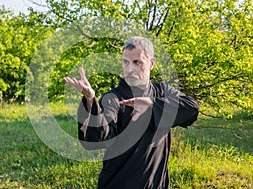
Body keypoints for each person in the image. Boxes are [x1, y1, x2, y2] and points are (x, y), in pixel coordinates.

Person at [63, 36, 199, 189]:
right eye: (125, 62)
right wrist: (90, 100)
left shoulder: (162, 92)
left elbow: (192, 108)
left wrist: (152, 105)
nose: (129, 69)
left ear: (151, 63)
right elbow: (97, 139)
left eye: (137, 62)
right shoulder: (113, 98)